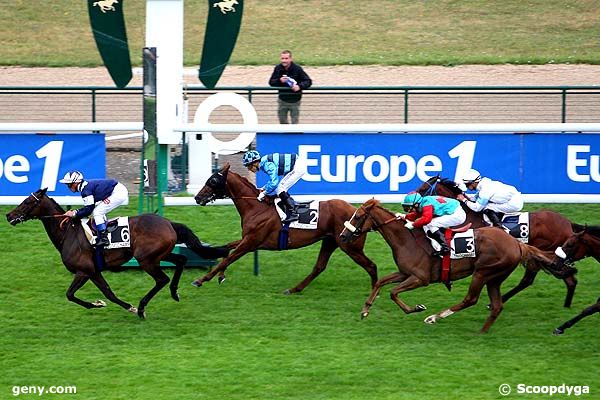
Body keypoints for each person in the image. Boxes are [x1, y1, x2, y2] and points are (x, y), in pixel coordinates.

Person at [59, 170, 129, 247]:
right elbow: (89, 207)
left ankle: (104, 238)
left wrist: (74, 213)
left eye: (69, 184)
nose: (68, 187)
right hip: (114, 190)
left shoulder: (85, 191)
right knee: (99, 209)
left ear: (75, 183)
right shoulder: (84, 187)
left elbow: (89, 210)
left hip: (118, 192)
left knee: (97, 212)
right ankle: (104, 230)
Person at [242, 150, 307, 224]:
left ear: (255, 163)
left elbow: (274, 182)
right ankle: (292, 206)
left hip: (298, 167)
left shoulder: (267, 164)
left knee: (280, 188)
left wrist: (264, 193)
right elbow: (273, 181)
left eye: (249, 166)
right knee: (280, 188)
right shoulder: (264, 163)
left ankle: (294, 213)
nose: (249, 169)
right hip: (297, 165)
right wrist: (264, 188)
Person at [401, 192, 466, 256]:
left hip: (457, 215)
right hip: (454, 212)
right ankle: (437, 246)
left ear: (416, 205)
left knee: (431, 223)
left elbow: (426, 219)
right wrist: (405, 216)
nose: (410, 209)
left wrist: (413, 224)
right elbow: (418, 214)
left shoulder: (427, 203)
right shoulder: (423, 202)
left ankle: (446, 247)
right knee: (426, 226)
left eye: (410, 207)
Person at [457, 169, 524, 227]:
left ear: (473, 183)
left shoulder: (485, 191)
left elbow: (477, 208)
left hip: (514, 203)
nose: (467, 187)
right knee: (487, 205)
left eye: (467, 184)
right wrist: (464, 195)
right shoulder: (484, 185)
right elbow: (474, 198)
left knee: (486, 207)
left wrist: (464, 200)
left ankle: (498, 226)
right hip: (514, 198)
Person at [268, 50, 312, 124]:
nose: (284, 60)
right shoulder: (278, 68)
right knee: (282, 121)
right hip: (282, 100)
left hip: (295, 100)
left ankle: (294, 135)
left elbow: (308, 81)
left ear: (290, 59)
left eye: (286, 58)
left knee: (295, 122)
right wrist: (280, 81)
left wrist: (299, 86)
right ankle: (285, 134)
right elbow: (271, 82)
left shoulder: (297, 69)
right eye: (282, 58)